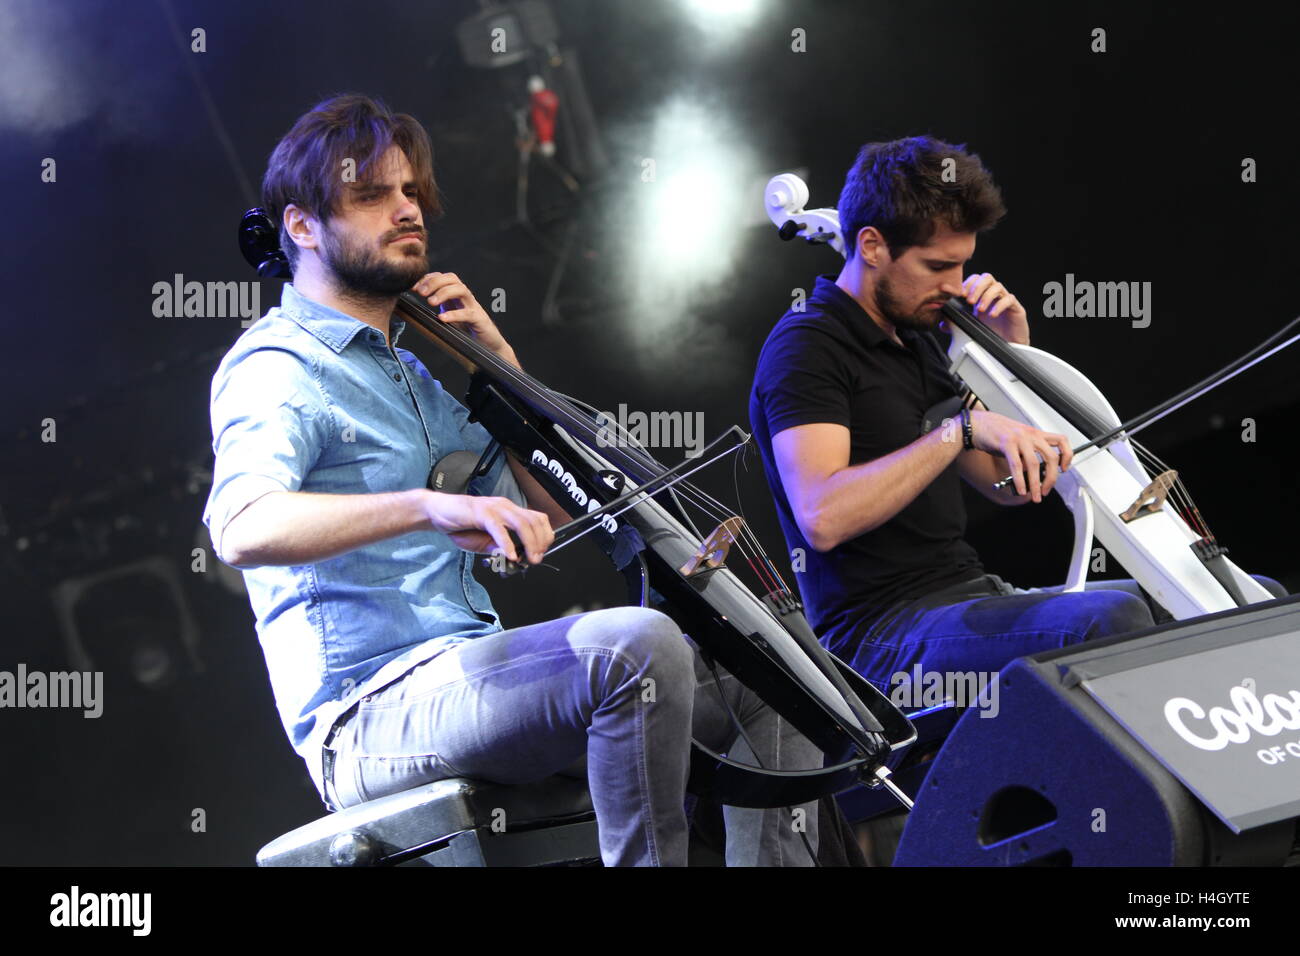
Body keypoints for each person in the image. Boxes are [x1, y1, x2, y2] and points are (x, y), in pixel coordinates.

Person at [203, 93, 822, 866]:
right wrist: (424, 505)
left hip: (469, 678)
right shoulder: (278, 366)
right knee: (635, 646)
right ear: (301, 226)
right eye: (371, 196)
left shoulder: (422, 373)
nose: (406, 211)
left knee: (774, 668)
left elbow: (560, 516)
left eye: (410, 193)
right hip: (369, 716)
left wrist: (504, 372)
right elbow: (240, 528)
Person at [748, 135, 1285, 698]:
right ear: (873, 245)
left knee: (1242, 598)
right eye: (937, 266)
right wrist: (959, 432)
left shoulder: (920, 337)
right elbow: (822, 515)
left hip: (971, 592)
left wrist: (1011, 361)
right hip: (877, 637)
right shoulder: (807, 345)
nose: (954, 287)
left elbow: (1008, 487)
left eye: (962, 266)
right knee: (1111, 621)